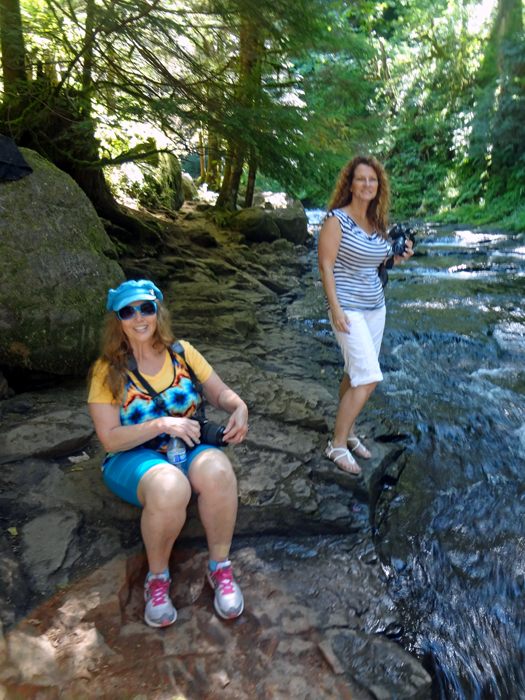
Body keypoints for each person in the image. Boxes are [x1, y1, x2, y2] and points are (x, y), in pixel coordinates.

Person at [88, 279, 249, 628]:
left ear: (158, 312)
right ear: (118, 320)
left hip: (187, 448)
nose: (139, 317)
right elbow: (110, 440)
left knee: (219, 472)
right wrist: (162, 424)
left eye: (146, 308)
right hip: (131, 456)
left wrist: (239, 407)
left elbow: (219, 392)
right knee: (170, 487)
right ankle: (157, 579)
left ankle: (220, 568)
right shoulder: (107, 370)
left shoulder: (182, 352)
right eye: (127, 311)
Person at [318, 155, 414, 474]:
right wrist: (335, 309)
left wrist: (400, 257)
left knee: (355, 373)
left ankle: (349, 434)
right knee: (369, 376)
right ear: (350, 183)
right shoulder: (337, 220)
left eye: (372, 180)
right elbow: (326, 265)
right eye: (361, 179)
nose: (367, 184)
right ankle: (335, 445)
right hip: (348, 308)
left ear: (378, 185)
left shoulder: (376, 223)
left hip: (376, 308)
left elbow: (379, 265)